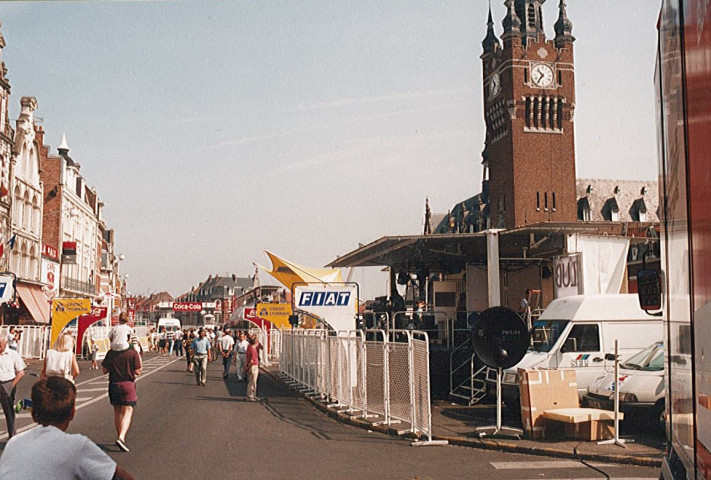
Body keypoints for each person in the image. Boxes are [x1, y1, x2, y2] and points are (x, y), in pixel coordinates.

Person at [0, 377, 136, 480]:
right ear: (72, 413)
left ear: (34, 415)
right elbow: (121, 475)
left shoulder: (14, 442)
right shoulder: (77, 445)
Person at [102, 339, 142, 452]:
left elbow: (104, 370)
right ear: (128, 339)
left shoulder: (111, 352)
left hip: (113, 384)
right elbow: (138, 371)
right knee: (128, 411)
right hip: (128, 384)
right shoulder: (132, 353)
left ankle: (119, 435)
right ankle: (121, 437)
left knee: (117, 411)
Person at [0, 334, 25, 438]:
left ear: (5, 343)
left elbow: (21, 372)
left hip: (7, 383)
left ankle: (12, 435)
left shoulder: (13, 354)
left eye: (0, 344)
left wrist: (11, 385)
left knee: (9, 412)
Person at [244, 335, 260, 401]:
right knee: (252, 381)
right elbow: (252, 360)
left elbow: (247, 357)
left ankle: (253, 395)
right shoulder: (253, 349)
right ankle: (250, 395)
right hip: (253, 366)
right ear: (256, 342)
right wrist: (248, 366)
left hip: (252, 366)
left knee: (253, 381)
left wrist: (246, 366)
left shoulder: (250, 347)